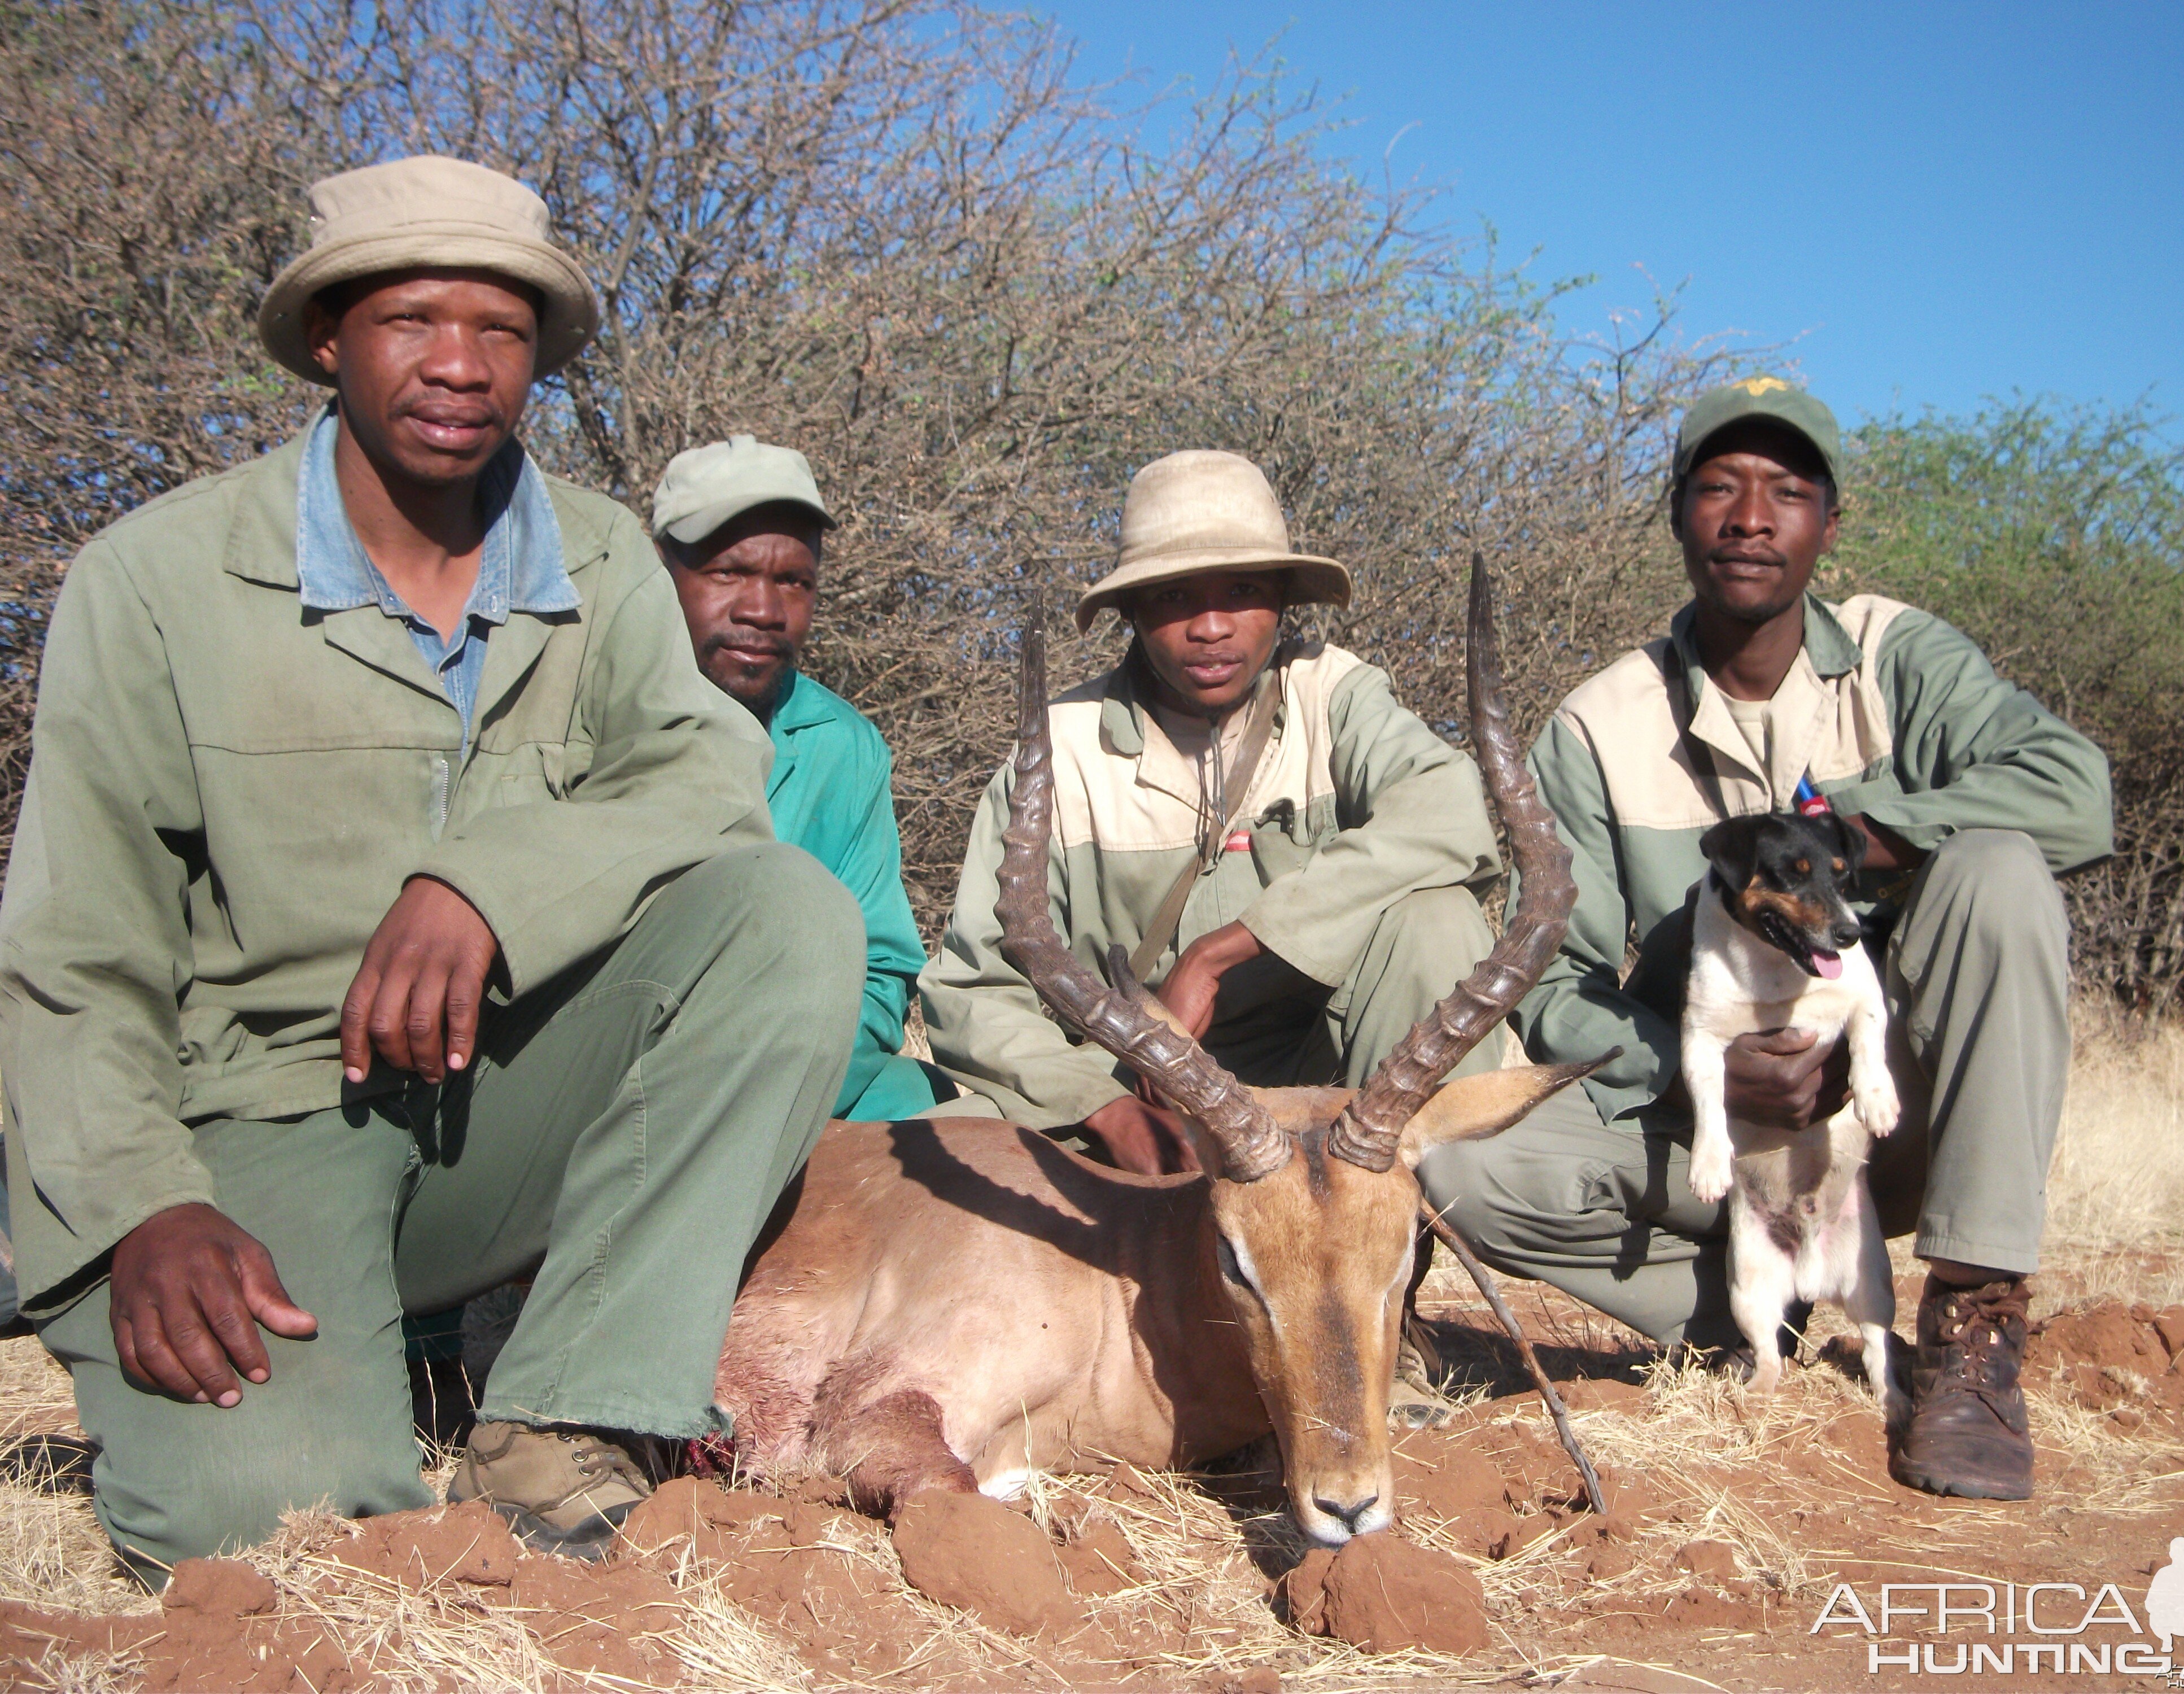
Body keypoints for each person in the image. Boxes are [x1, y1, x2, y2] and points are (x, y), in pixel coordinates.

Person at [0, 156, 862, 1579]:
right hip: (253, 1129)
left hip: (498, 1111)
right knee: (272, 1535)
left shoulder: (601, 560)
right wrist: (139, 1201)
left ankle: (568, 1411)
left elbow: (705, 773)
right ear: (327, 339)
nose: (460, 365)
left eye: (501, 330)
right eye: (412, 320)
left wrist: (484, 889)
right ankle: (290, 1378)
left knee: (786, 918)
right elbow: (77, 948)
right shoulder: (151, 579)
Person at [1418, 378, 2113, 1501]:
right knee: (1459, 1171)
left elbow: (2076, 795)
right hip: (1727, 1140)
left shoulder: (1899, 658)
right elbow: (1556, 980)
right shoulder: (1597, 726)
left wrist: (1875, 834)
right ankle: (1755, 1320)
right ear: (1678, 514)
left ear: (1826, 526)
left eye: (1785, 492)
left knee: (1995, 868)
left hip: (1894, 1122)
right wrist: (1707, 1075)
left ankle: (1971, 1324)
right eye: (1718, 489)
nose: (1749, 517)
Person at [920, 449, 1511, 1414]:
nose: (1209, 625)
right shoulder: (1057, 750)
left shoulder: (1338, 694)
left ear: (1284, 602)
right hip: (1132, 1110)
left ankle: (1384, 1325)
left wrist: (1224, 952)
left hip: (1327, 1104)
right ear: (1129, 614)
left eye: (1241, 591)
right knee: (941, 1158)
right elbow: (972, 991)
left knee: (1437, 922)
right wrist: (1103, 1104)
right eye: (1173, 597)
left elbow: (1451, 814)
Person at [651, 436, 940, 1121]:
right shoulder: (580, 713)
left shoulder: (843, 746)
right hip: (612, 1074)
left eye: (794, 582)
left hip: (785, 1075)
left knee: (944, 1115)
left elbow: (881, 972)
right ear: (659, 570)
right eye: (727, 572)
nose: (763, 609)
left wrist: (775, 1071)